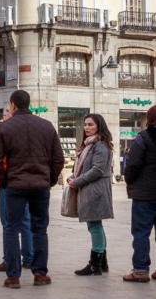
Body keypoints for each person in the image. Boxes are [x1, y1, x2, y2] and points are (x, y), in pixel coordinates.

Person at [0, 90, 64, 289]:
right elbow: (58, 158)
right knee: (40, 229)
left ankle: (13, 276)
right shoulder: (46, 126)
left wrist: (4, 180)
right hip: (40, 184)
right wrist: (49, 179)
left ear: (13, 105)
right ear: (28, 104)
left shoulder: (5, 128)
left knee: (12, 228)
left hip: (15, 185)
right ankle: (40, 273)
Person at [66, 113, 115, 276]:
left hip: (96, 191)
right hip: (91, 189)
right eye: (85, 124)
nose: (87, 128)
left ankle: (95, 264)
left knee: (94, 225)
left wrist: (77, 181)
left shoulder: (99, 145)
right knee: (96, 225)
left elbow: (97, 170)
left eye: (91, 125)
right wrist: (73, 176)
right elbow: (85, 168)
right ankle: (103, 262)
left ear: (99, 126)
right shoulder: (90, 144)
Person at [0, 109, 34, 272]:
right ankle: (28, 258)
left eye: (8, 111)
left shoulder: (6, 130)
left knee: (9, 223)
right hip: (29, 181)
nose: (4, 114)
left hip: (9, 183)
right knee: (25, 220)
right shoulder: (33, 129)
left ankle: (9, 259)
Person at [123, 105, 156, 283]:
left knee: (141, 232)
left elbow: (133, 164)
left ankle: (141, 270)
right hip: (146, 191)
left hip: (145, 194)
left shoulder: (144, 137)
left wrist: (130, 181)